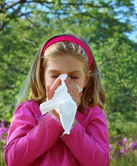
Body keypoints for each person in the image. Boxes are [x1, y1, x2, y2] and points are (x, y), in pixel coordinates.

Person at [4, 34, 110, 166]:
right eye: (55, 75)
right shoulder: (28, 110)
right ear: (43, 77)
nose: (64, 82)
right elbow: (14, 160)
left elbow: (100, 162)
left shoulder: (93, 114)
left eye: (74, 76)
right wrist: (53, 117)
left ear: (86, 80)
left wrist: (69, 121)